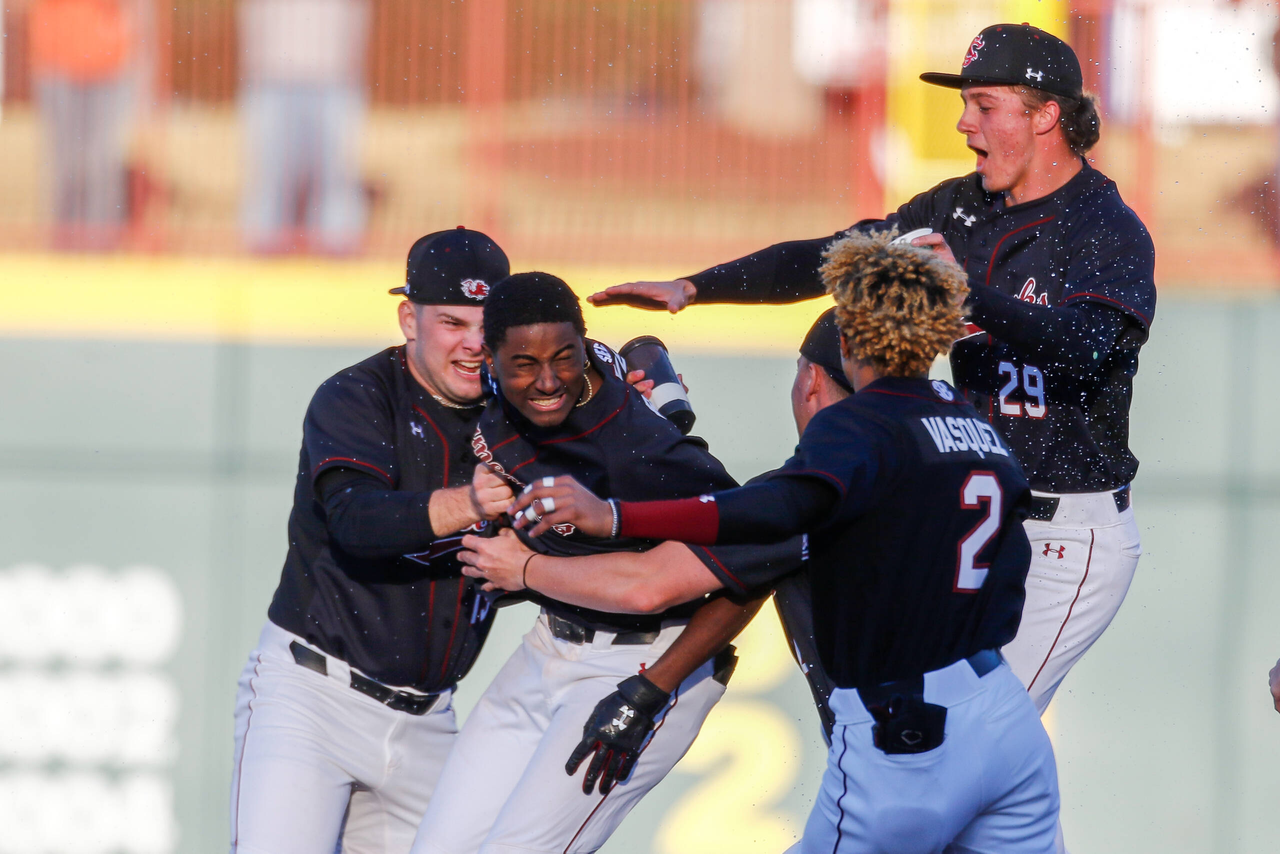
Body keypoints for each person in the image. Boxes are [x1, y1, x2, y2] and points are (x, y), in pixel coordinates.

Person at [589, 22, 1156, 717]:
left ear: (1046, 115)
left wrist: (970, 293)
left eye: (984, 105)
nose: (963, 122)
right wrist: (697, 287)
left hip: (1065, 534)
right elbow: (835, 254)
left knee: (958, 736)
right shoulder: (959, 207)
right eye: (965, 104)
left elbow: (1094, 347)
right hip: (977, 518)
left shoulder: (1104, 226)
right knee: (942, 752)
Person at [470, 232, 1059, 852]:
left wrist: (614, 516)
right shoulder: (972, 424)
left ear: (832, 358)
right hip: (1003, 714)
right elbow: (1011, 564)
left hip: (907, 727)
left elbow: (775, 510)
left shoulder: (855, 429)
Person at [409, 272, 805, 854]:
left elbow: (762, 557)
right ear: (489, 360)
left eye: (564, 358)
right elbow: (623, 349)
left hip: (641, 663)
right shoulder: (525, 378)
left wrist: (651, 691)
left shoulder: (644, 449)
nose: (547, 380)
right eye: (523, 363)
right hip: (549, 646)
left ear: (580, 347)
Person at [228, 228, 516, 853]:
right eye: (452, 322)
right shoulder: (356, 396)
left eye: (487, 325)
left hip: (428, 721)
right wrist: (470, 504)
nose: (473, 344)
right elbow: (357, 522)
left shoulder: (518, 411)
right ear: (409, 319)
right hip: (312, 699)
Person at [238, 0, 370, 254]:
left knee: (336, 172)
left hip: (333, 75)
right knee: (269, 170)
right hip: (270, 75)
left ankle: (338, 247)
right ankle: (262, 246)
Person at [28, 0, 140, 249]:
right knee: (66, 165)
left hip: (109, 65)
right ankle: (64, 248)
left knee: (102, 164)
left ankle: (100, 248)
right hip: (56, 61)